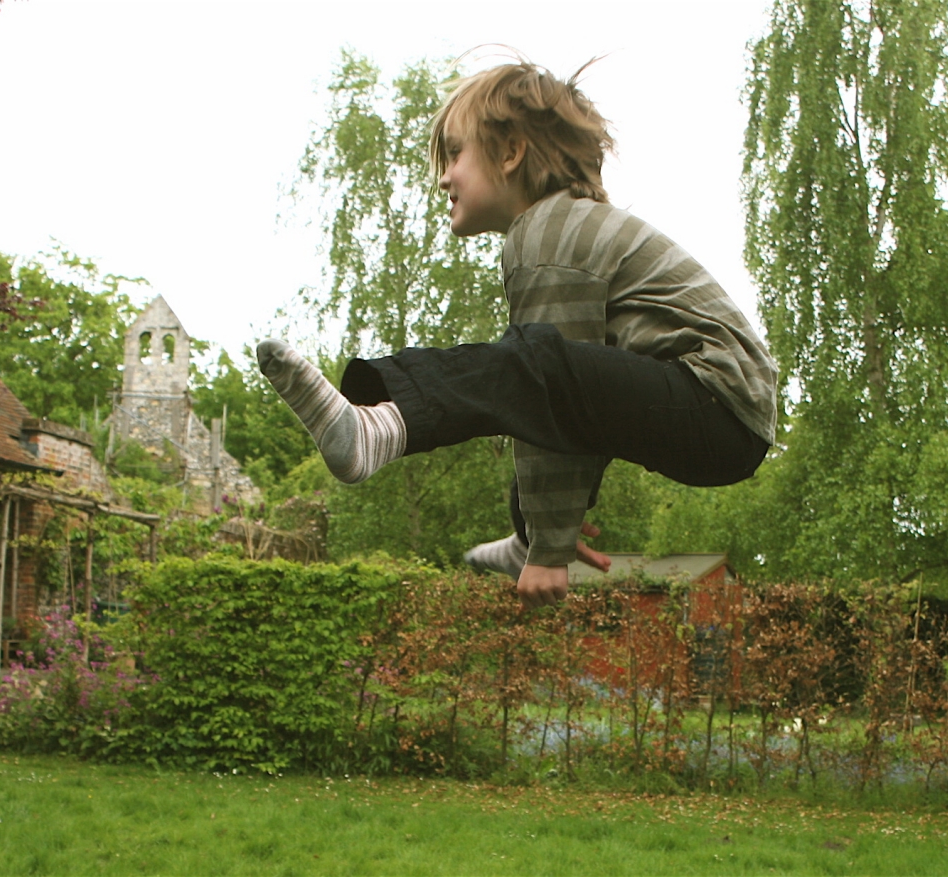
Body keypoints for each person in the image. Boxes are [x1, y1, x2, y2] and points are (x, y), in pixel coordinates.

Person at [257, 59, 778, 610]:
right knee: (523, 385)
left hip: (715, 403)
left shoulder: (552, 231)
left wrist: (552, 549)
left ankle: (378, 429)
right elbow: (556, 401)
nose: (443, 177)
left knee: (528, 368)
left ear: (510, 153)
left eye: (455, 154)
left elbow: (548, 382)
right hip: (718, 418)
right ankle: (520, 536)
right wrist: (544, 533)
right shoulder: (561, 227)